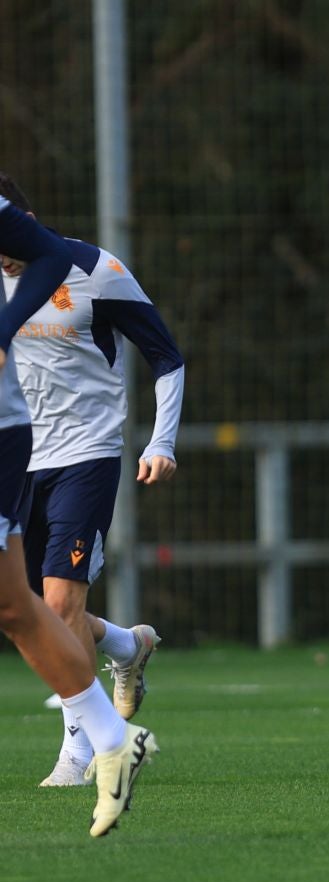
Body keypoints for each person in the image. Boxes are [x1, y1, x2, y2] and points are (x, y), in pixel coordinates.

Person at [0, 173, 178, 787]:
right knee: (24, 608)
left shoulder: (95, 270)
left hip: (88, 454)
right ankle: (126, 645)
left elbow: (167, 357)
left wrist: (161, 441)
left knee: (58, 604)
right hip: (18, 458)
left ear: (24, 223)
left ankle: (78, 755)